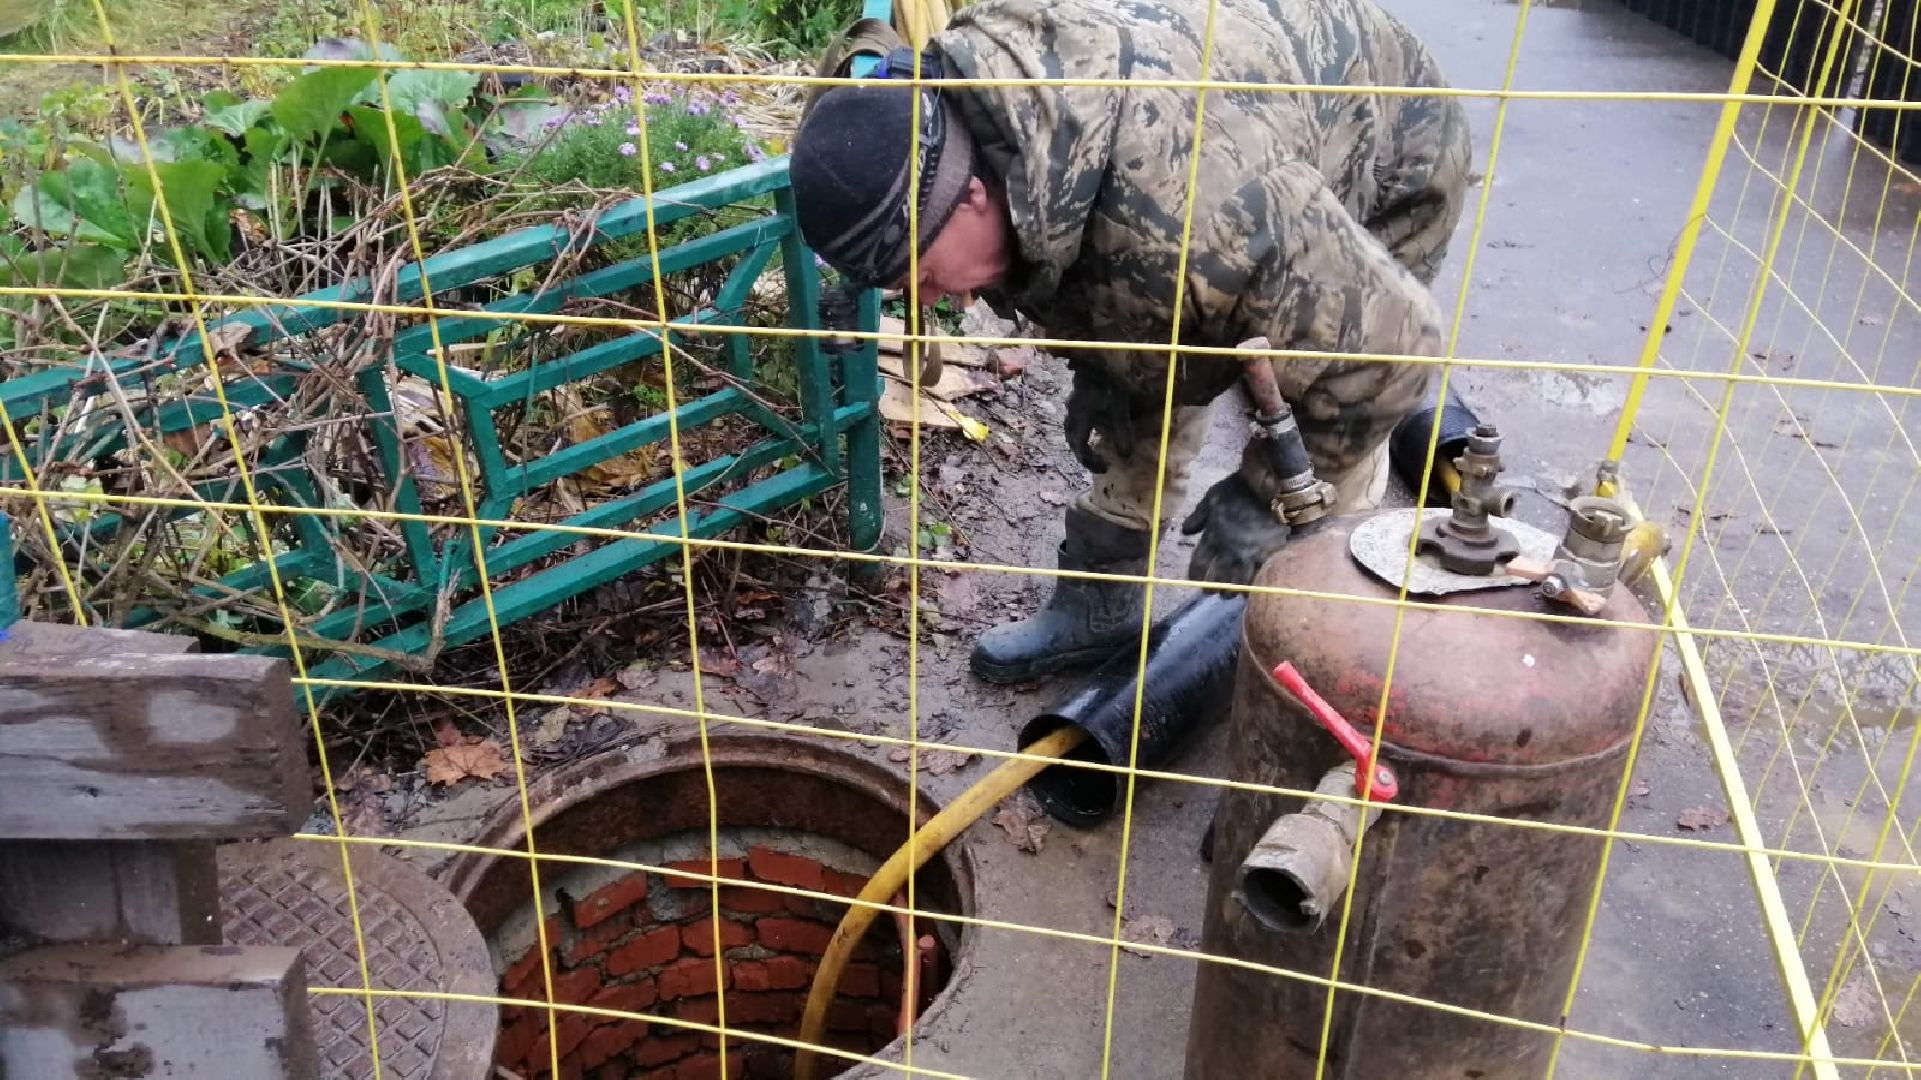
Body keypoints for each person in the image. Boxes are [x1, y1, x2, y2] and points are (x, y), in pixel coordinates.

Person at [789, 0, 1471, 683]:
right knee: (1143, 339)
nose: (935, 300)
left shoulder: (1202, 215)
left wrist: (1263, 498)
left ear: (970, 197)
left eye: (925, 276)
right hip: (1201, 129)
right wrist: (1101, 370)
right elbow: (1092, 277)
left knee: (1316, 392)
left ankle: (1319, 652)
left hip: (1386, 142)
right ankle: (1102, 605)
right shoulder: (967, 109)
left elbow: (1392, 355)